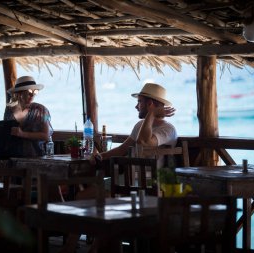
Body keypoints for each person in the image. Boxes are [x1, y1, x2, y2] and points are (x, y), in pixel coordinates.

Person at [60, 82, 177, 253]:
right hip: (127, 181)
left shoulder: (168, 129)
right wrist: (101, 156)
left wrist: (151, 115)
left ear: (151, 105)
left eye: (141, 102)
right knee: (82, 196)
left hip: (150, 186)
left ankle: (96, 247)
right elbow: (123, 149)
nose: (137, 106)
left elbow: (145, 142)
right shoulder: (140, 125)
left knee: (106, 201)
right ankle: (73, 247)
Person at [3, 75, 53, 157]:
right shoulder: (9, 110)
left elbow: (46, 136)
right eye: (29, 93)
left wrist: (22, 134)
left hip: (36, 157)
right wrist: (0, 130)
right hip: (12, 156)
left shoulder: (41, 110)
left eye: (34, 93)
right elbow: (7, 129)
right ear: (19, 93)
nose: (32, 96)